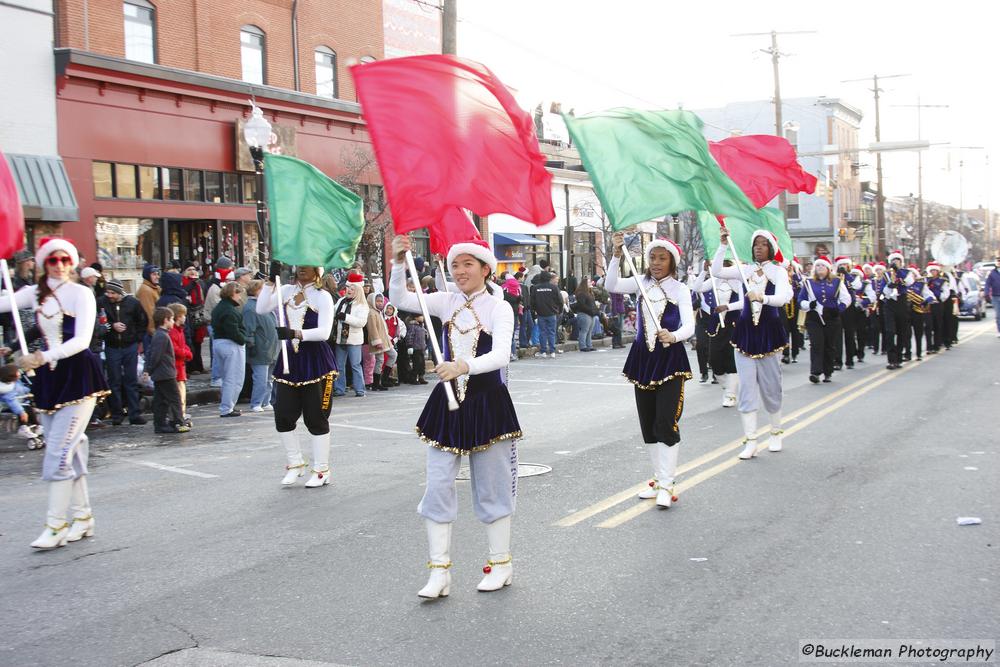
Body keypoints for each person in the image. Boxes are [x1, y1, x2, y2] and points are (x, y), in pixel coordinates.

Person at [390, 235, 521, 599]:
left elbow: (502, 356)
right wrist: (400, 263)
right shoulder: (445, 301)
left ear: (485, 269)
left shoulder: (500, 307)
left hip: (487, 402)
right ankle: (439, 571)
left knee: (492, 486)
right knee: (437, 485)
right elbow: (399, 299)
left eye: (468, 264)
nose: (460, 271)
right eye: (455, 265)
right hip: (447, 402)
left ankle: (501, 564)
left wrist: (465, 365)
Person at [0, 237, 110, 549]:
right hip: (48, 381)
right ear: (43, 262)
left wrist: (41, 357)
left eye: (65, 259)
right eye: (53, 260)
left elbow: (82, 341)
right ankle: (82, 516)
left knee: (58, 451)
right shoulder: (35, 293)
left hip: (77, 377)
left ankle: (55, 524)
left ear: (72, 262)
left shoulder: (82, 293)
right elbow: (5, 303)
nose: (60, 265)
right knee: (68, 450)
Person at [606, 233, 693, 508]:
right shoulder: (640, 283)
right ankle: (658, 479)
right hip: (643, 359)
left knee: (665, 422)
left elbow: (690, 325)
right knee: (648, 424)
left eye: (662, 258)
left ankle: (668, 484)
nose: (656, 263)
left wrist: (675, 336)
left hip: (670, 360)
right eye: (652, 257)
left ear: (672, 262)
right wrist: (617, 255)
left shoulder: (680, 289)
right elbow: (611, 284)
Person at [713, 228, 793, 460]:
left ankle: (775, 432)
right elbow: (717, 271)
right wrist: (722, 246)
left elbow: (782, 298)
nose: (758, 247)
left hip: (769, 335)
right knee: (746, 390)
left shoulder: (778, 271)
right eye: (756, 244)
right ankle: (750, 441)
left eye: (763, 244)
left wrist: (763, 298)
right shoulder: (745, 269)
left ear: (771, 248)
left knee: (771, 388)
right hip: (746, 335)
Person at [257, 265, 337, 487]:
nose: (302, 269)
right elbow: (261, 308)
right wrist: (270, 282)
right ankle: (295, 464)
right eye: (299, 265)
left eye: (307, 266)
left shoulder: (323, 297)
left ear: (317, 271)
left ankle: (321, 470)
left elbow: (325, 332)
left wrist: (296, 333)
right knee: (283, 415)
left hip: (315, 362)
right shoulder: (286, 291)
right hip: (288, 362)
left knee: (316, 417)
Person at [691, 259, 742, 406]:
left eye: (726, 266)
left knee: (731, 360)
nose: (723, 269)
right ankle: (728, 387)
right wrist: (704, 271)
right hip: (716, 326)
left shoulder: (738, 282)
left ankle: (731, 395)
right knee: (714, 360)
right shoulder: (715, 281)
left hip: (733, 325)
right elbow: (697, 287)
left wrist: (727, 307)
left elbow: (743, 301)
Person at [98, 279, 148, 426]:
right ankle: (116, 414)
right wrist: (112, 326)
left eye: (112, 292)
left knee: (131, 380)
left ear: (120, 293)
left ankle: (134, 414)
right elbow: (99, 321)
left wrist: (137, 339)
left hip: (129, 345)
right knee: (114, 381)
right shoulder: (102, 302)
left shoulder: (133, 303)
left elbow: (142, 321)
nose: (109, 295)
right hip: (112, 345)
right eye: (108, 292)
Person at [798, 256, 850, 384]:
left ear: (828, 269)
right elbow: (800, 300)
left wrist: (839, 309)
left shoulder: (837, 281)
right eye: (817, 266)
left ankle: (828, 372)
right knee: (816, 344)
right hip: (814, 318)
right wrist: (809, 305)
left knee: (829, 345)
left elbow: (846, 298)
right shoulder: (808, 283)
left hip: (831, 317)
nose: (819, 268)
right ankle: (815, 372)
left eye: (822, 266)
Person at [145, 307, 190, 434]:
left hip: (162, 373)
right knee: (174, 398)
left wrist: (149, 369)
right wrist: (149, 369)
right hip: (165, 373)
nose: (172, 322)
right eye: (171, 319)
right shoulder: (162, 336)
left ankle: (160, 424)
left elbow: (151, 354)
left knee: (161, 401)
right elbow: (155, 356)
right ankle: (178, 422)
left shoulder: (159, 335)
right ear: (165, 320)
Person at [211, 281, 247, 417]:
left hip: (219, 342)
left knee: (227, 377)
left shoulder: (219, 307)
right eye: (238, 294)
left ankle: (227, 406)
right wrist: (243, 339)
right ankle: (227, 407)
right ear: (233, 293)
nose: (240, 297)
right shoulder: (230, 310)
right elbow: (234, 331)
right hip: (231, 344)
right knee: (234, 378)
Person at [243, 279, 279, 412]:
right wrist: (251, 346)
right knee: (260, 379)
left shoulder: (263, 306)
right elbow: (249, 330)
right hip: (260, 349)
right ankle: (256, 402)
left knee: (269, 378)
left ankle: (266, 401)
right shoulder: (251, 308)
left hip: (270, 348)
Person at [332, 273, 369, 398]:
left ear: (358, 291)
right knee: (339, 365)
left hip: (354, 340)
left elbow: (361, 322)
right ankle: (339, 388)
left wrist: (346, 317)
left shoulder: (362, 305)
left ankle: (360, 389)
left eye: (352, 289)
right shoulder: (341, 301)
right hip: (340, 338)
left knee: (355, 365)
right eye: (348, 288)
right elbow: (332, 311)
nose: (349, 290)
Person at [205, 257, 235, 387]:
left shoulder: (218, 286)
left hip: (216, 323)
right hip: (215, 323)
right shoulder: (215, 288)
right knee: (218, 353)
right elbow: (219, 308)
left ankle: (219, 376)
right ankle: (216, 377)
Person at [166, 303, 194, 424]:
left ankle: (180, 414)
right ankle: (177, 417)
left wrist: (187, 351)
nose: (184, 318)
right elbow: (175, 349)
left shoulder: (179, 330)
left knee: (181, 393)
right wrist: (187, 353)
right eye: (183, 315)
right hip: (176, 367)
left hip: (180, 367)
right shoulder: (173, 332)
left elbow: (182, 345)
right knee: (178, 394)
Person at [182, 263, 208, 374]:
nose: (192, 271)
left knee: (198, 342)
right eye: (189, 269)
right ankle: (192, 367)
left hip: (199, 314)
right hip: (189, 315)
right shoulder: (183, 283)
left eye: (194, 269)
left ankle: (199, 366)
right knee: (191, 342)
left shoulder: (199, 283)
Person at [365, 293, 394, 392]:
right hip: (378, 341)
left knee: (393, 354)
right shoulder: (371, 313)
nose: (380, 303)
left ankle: (384, 378)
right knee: (379, 360)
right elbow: (372, 329)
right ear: (372, 301)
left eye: (381, 301)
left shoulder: (378, 312)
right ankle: (376, 383)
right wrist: (376, 341)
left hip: (384, 340)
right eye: (377, 301)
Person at [0, 363, 37, 438]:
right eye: (17, 372)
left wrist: (31, 390)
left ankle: (36, 425)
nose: (19, 372)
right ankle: (23, 427)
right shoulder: (6, 390)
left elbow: (22, 389)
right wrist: (21, 412)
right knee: (24, 409)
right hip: (7, 405)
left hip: (19, 401)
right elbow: (12, 402)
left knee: (28, 407)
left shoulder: (16, 382)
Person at [531, 272, 562, 358]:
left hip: (541, 313)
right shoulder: (554, 287)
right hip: (552, 313)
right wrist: (559, 310)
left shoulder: (536, 288)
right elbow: (560, 300)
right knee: (551, 332)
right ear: (549, 278)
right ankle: (552, 351)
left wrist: (535, 310)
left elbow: (532, 301)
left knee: (542, 333)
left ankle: (543, 351)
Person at [136, 263, 161, 347]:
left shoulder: (154, 288)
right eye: (154, 274)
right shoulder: (146, 290)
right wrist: (154, 332)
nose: (157, 276)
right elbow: (149, 313)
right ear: (147, 276)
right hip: (150, 333)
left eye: (158, 274)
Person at [573, 280, 600, 352]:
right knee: (584, 330)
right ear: (585, 284)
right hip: (584, 314)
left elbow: (593, 304)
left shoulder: (590, 293)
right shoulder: (581, 293)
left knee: (589, 331)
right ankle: (583, 346)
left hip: (591, 314)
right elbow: (581, 305)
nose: (590, 283)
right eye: (588, 282)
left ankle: (589, 345)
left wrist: (596, 311)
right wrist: (591, 311)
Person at [383, 302, 406, 386]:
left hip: (392, 342)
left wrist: (399, 337)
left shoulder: (396, 319)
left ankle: (386, 377)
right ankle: (383, 378)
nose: (389, 310)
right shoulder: (382, 318)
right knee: (384, 359)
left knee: (392, 357)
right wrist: (389, 338)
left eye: (391, 309)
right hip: (384, 341)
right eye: (387, 308)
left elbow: (403, 328)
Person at [502, 274, 522, 360]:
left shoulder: (503, 288)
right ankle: (513, 353)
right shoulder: (518, 287)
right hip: (515, 313)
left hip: (505, 313)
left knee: (505, 334)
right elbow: (520, 298)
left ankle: (507, 354)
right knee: (512, 334)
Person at [405, 315, 430, 384]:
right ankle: (413, 378)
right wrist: (409, 346)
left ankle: (421, 377)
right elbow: (410, 336)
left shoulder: (422, 326)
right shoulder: (413, 326)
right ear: (416, 318)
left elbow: (424, 338)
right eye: (420, 316)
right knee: (417, 364)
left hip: (421, 348)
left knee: (422, 364)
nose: (422, 318)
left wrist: (425, 346)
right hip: (415, 348)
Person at [983, 254, 1000, 337]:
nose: (999, 262)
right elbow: (987, 284)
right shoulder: (992, 273)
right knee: (998, 315)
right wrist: (986, 294)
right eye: (998, 261)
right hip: (995, 296)